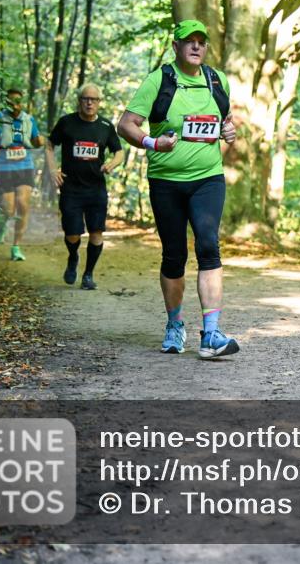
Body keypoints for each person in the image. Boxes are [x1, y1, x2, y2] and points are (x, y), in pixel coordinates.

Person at [117, 19, 240, 359]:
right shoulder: (159, 81)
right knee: (174, 254)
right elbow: (125, 125)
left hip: (207, 178)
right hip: (166, 182)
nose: (196, 46)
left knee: (208, 244)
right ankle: (174, 324)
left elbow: (225, 121)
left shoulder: (217, 80)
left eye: (201, 41)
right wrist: (153, 142)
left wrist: (229, 134)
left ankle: (211, 334)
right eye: (189, 41)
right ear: (176, 46)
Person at [45, 83, 124, 290]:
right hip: (71, 188)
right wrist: (53, 169)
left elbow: (119, 152)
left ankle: (88, 275)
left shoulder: (106, 126)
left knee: (97, 232)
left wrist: (112, 164)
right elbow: (49, 144)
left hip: (96, 189)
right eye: (85, 99)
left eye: (94, 99)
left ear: (99, 103)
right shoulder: (66, 123)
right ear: (79, 101)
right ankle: (73, 257)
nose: (89, 103)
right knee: (72, 233)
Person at [0, 88, 44, 260]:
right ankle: (1, 226)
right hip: (4, 165)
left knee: (23, 204)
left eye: (18, 101)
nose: (15, 104)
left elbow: (36, 141)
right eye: (11, 101)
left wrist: (39, 141)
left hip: (25, 164)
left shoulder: (28, 120)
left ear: (22, 102)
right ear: (6, 102)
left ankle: (16, 247)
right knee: (8, 209)